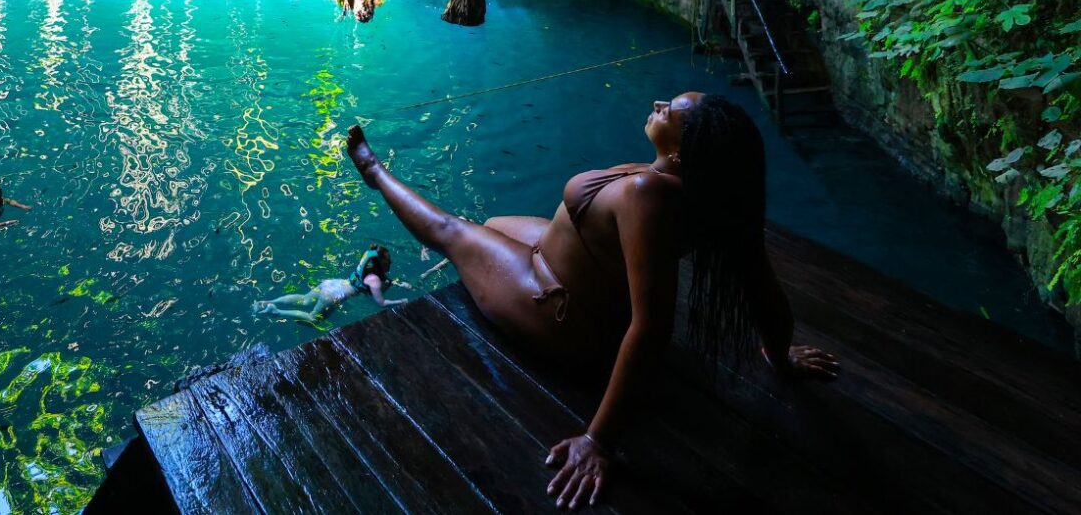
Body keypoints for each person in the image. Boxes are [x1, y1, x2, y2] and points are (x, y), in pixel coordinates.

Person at [343, 94, 839, 509]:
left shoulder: (648, 195)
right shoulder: (696, 192)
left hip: (558, 309)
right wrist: (778, 354)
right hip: (564, 258)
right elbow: (756, 273)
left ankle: (374, 171)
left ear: (687, 151)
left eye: (672, 113)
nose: (659, 105)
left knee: (453, 232)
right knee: (493, 225)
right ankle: (513, 252)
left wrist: (598, 440)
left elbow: (652, 327)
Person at [252, 245, 410, 324]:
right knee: (313, 319)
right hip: (333, 296)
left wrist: (398, 284)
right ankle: (276, 312)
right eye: (388, 260)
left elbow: (384, 280)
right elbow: (381, 302)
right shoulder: (374, 280)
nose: (390, 262)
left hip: (332, 283)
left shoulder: (368, 266)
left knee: (304, 299)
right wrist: (400, 301)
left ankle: (269, 302)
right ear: (380, 262)